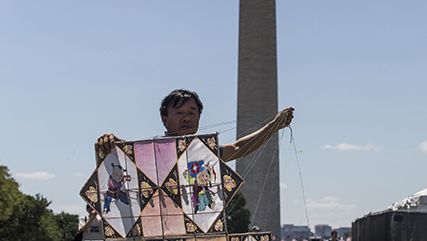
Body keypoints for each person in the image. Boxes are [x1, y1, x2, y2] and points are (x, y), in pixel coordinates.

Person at [95, 88, 294, 162]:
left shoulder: (203, 151)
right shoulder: (151, 152)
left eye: (192, 113)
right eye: (179, 113)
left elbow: (239, 148)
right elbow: (129, 151)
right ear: (164, 118)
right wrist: (111, 142)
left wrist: (274, 126)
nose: (187, 118)